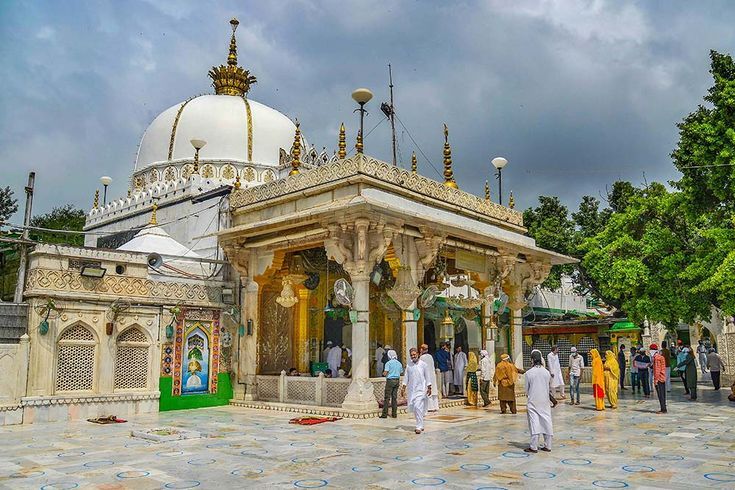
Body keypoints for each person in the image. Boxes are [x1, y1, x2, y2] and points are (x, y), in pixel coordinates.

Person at [524, 350, 553, 454]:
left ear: (532, 359)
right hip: (545, 401)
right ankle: (548, 445)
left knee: (534, 423)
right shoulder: (546, 372)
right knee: (546, 421)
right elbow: (549, 386)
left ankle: (533, 446)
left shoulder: (529, 373)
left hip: (533, 401)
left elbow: (526, 390)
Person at [401, 347, 432, 434]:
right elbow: (406, 377)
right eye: (411, 355)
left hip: (421, 389)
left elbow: (427, 376)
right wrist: (403, 387)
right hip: (412, 390)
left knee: (418, 406)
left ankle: (418, 426)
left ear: (418, 354)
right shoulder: (409, 365)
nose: (413, 356)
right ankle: (421, 424)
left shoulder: (423, 364)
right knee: (415, 408)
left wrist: (429, 387)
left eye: (414, 354)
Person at [380, 349, 403, 418]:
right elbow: (401, 372)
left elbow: (385, 373)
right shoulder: (399, 363)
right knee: (394, 398)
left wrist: (383, 373)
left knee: (387, 398)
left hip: (390, 381)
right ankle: (394, 414)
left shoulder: (388, 363)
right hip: (397, 381)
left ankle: (384, 414)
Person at [419, 344, 440, 412]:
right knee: (433, 390)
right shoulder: (430, 356)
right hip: (432, 375)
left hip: (426, 376)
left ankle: (430, 407)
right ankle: (435, 406)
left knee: (427, 391)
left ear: (422, 349)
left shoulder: (422, 357)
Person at [652, 344, 667, 413]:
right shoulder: (660, 357)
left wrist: (656, 380)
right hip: (662, 377)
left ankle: (663, 409)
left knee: (660, 394)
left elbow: (657, 369)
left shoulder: (656, 358)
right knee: (663, 394)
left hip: (659, 378)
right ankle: (663, 408)